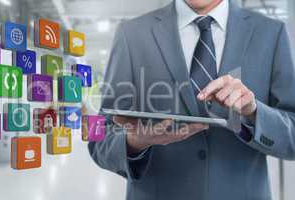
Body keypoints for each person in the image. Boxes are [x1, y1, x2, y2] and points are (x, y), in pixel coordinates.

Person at [88, 0, 295, 199]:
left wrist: (254, 113)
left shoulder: (271, 33)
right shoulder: (131, 34)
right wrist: (133, 142)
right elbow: (97, 136)